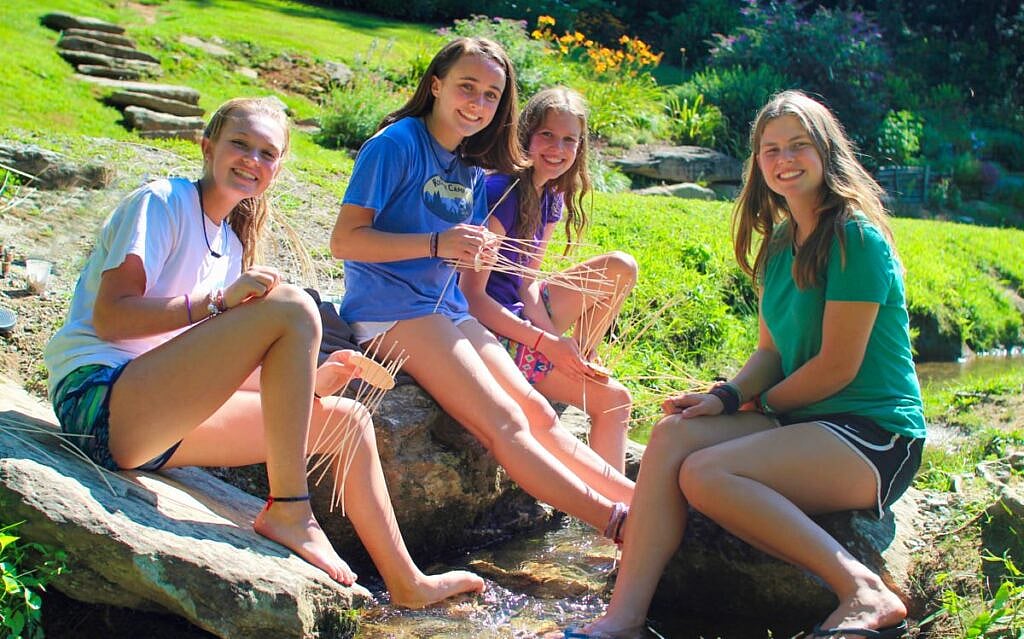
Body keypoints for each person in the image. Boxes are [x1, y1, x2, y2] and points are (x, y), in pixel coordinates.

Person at [43, 97, 483, 608]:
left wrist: (312, 381)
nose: (252, 159)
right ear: (207, 147)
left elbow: (208, 369)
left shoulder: (229, 245)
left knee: (346, 421)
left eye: (267, 153)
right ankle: (290, 509)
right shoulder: (161, 202)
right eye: (240, 144)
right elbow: (112, 317)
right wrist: (216, 303)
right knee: (293, 305)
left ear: (277, 168)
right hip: (97, 402)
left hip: (155, 423)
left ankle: (408, 583)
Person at [573, 90, 924, 639]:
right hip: (805, 420)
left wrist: (762, 402)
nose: (784, 160)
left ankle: (864, 590)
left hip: (873, 435)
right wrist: (726, 398)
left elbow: (837, 368)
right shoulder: (782, 241)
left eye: (799, 146)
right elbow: (771, 354)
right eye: (771, 149)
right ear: (758, 163)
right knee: (671, 435)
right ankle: (623, 620)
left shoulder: (855, 237)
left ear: (827, 152)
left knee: (707, 473)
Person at [329, 39, 634, 546]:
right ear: (436, 85)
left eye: (491, 95)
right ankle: (617, 523)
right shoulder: (395, 144)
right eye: (467, 87)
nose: (477, 102)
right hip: (391, 311)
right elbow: (344, 240)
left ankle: (637, 501)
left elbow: (458, 262)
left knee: (536, 411)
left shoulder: (470, 162)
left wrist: (473, 253)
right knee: (507, 421)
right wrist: (437, 242)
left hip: (446, 308)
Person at [460, 87, 637, 473]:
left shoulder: (550, 196)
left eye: (569, 140)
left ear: (580, 147)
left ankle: (583, 359)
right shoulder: (499, 192)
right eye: (547, 135)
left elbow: (526, 283)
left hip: (520, 310)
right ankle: (613, 518)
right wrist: (544, 342)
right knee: (616, 402)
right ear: (525, 135)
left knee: (621, 266)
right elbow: (470, 298)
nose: (557, 148)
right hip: (487, 327)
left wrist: (562, 344)